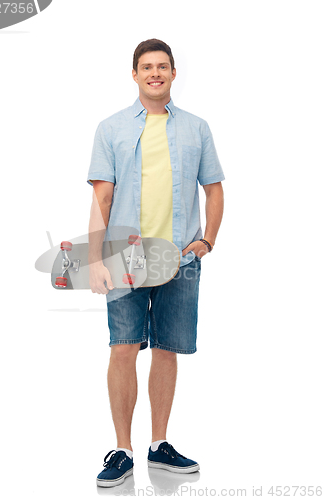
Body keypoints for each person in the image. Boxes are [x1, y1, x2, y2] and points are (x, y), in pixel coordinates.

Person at [87, 39, 225, 488]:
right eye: (147, 67)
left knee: (167, 350)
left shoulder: (197, 128)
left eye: (163, 67)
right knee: (124, 346)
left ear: (173, 74)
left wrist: (206, 241)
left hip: (181, 258)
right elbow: (102, 197)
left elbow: (215, 189)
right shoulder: (111, 129)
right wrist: (94, 259)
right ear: (134, 74)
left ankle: (159, 445)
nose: (155, 73)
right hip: (124, 257)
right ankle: (122, 450)